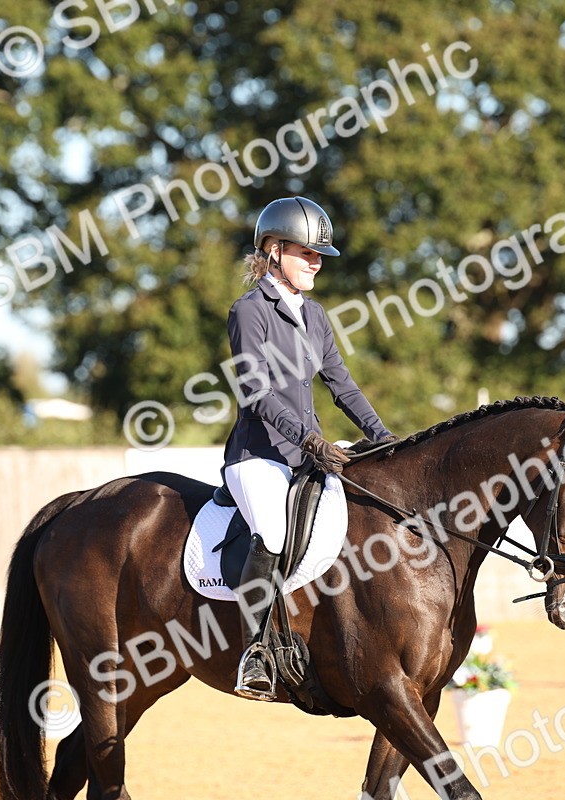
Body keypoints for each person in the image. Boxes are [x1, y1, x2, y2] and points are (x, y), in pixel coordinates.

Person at [222, 196, 396, 699]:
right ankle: (254, 652)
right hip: (258, 456)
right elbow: (255, 391)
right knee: (274, 532)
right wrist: (308, 438)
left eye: (320, 255)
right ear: (274, 251)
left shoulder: (315, 315)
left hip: (308, 452)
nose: (317, 262)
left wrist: (383, 437)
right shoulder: (250, 311)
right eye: (307, 253)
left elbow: (342, 385)